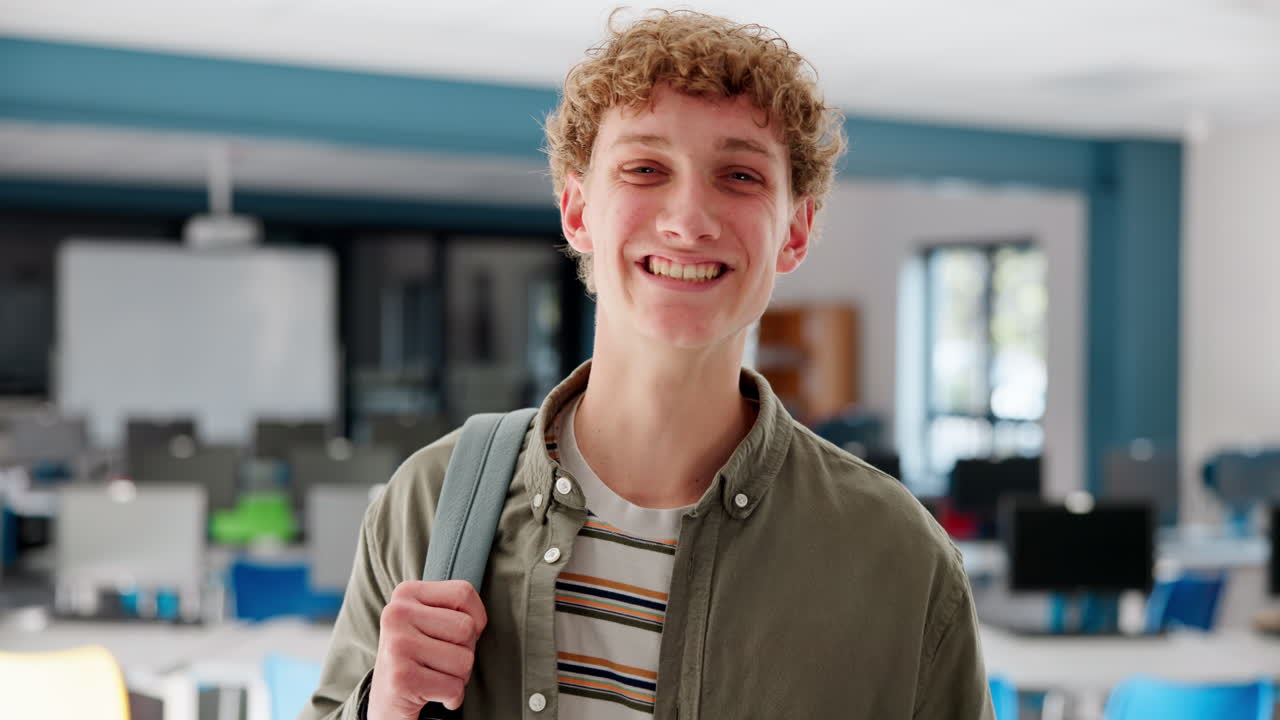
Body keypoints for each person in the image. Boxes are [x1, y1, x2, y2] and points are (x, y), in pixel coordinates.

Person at [305, 10, 992, 719]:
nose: (688, 218)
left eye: (739, 175)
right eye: (644, 168)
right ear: (578, 212)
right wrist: (380, 707)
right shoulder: (431, 503)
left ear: (796, 230)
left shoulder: (899, 561)